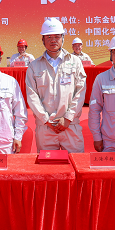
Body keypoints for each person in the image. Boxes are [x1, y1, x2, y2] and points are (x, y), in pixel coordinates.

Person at [26, 17, 87, 153]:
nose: (53, 40)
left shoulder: (75, 62)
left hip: (70, 126)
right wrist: (46, 119)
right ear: (42, 39)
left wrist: (68, 118)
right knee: (47, 165)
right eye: (49, 37)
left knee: (75, 163)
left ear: (63, 38)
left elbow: (80, 91)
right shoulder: (34, 66)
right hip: (45, 128)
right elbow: (32, 95)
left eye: (57, 36)